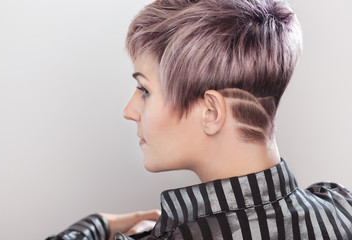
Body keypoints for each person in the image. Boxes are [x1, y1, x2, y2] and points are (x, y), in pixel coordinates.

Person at [47, 0, 352, 239]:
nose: (129, 110)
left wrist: (102, 225)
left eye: (144, 89)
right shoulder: (343, 208)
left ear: (211, 112)